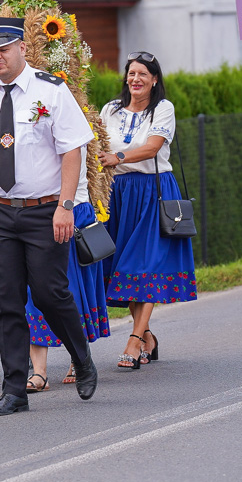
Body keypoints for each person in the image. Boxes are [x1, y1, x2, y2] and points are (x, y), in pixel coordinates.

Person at [0, 16, 98, 416]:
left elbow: (73, 149)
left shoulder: (51, 91)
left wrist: (66, 206)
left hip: (43, 211)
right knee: (6, 301)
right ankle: (14, 389)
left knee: (50, 293)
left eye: (2, 49)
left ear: (22, 47)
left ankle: (81, 357)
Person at [98, 51, 197, 369]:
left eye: (143, 74)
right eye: (131, 73)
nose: (135, 79)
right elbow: (98, 145)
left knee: (143, 266)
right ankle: (147, 336)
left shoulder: (163, 109)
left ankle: (133, 340)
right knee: (123, 267)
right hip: (118, 193)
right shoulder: (111, 109)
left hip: (152, 191)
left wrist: (119, 157)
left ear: (155, 80)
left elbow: (154, 146)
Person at [25, 144, 111, 392]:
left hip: (71, 211)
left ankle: (79, 358)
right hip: (35, 215)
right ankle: (39, 372)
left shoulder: (69, 124)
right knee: (33, 293)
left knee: (69, 289)